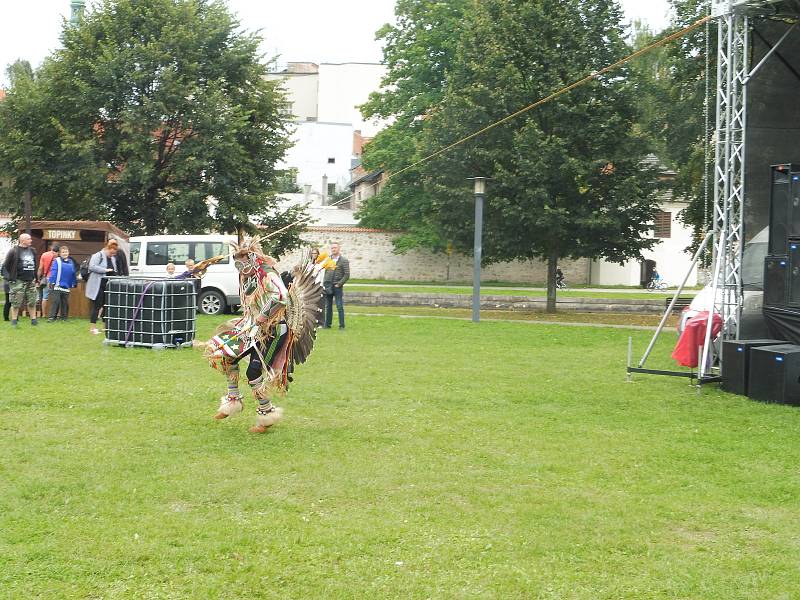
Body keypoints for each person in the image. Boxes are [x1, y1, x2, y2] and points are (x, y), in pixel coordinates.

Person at [204, 236, 330, 433]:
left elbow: (281, 296)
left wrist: (262, 317)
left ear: (253, 257)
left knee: (253, 373)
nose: (240, 264)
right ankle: (233, 400)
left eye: (243, 259)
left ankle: (266, 414)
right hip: (251, 327)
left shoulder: (267, 273)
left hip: (273, 330)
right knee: (226, 354)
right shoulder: (247, 275)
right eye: (237, 260)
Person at [2, 233, 39, 327]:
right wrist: (11, 277)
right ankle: (14, 321)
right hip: (18, 281)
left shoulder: (33, 251)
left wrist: (36, 279)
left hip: (30, 280)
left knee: (32, 301)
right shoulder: (13, 251)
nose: (31, 240)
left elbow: (35, 265)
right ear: (23, 240)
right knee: (15, 302)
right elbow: (6, 265)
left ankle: (33, 320)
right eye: (29, 239)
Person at [85, 239, 120, 335]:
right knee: (97, 306)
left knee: (106, 306)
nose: (112, 255)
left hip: (107, 285)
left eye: (114, 254)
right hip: (97, 285)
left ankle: (105, 327)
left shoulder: (112, 258)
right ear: (107, 249)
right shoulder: (98, 255)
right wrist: (105, 270)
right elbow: (92, 266)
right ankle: (92, 328)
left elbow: (114, 269)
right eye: (111, 253)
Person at [323, 241, 350, 329]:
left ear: (339, 249)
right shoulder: (328, 259)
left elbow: (347, 275)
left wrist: (339, 284)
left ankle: (342, 325)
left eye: (335, 248)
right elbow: (325, 272)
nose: (333, 249)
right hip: (328, 286)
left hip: (337, 287)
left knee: (339, 306)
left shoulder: (344, 260)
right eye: (332, 248)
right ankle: (327, 325)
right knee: (328, 307)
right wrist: (325, 283)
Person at [47, 245, 78, 321]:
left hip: (66, 285)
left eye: (66, 252)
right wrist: (52, 282)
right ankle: (52, 317)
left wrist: (74, 283)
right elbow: (53, 271)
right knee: (56, 301)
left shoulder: (71, 262)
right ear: (60, 253)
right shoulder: (56, 261)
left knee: (65, 303)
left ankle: (64, 318)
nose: (65, 253)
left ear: (68, 253)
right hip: (56, 284)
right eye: (63, 252)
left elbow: (73, 273)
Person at [37, 242, 60, 317]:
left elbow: (40, 268)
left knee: (45, 297)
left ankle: (43, 314)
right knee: (56, 297)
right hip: (55, 278)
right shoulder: (58, 256)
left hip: (46, 277)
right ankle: (57, 314)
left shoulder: (44, 255)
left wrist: (38, 279)